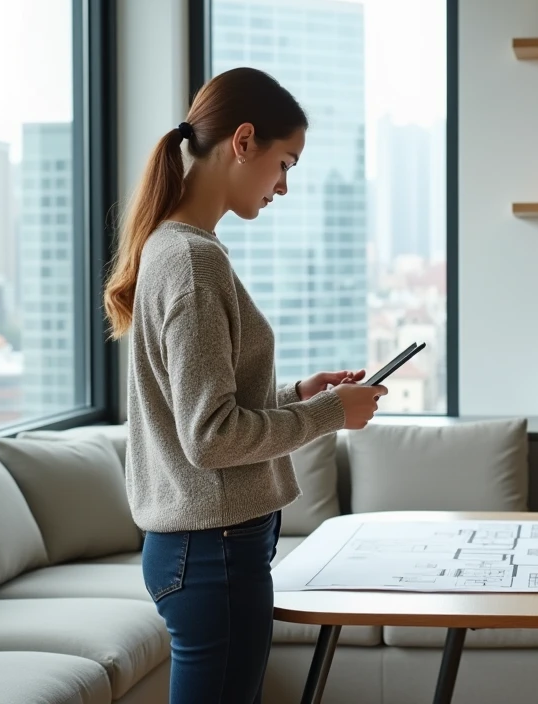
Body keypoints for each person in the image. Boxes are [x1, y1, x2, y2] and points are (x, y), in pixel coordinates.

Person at [103, 66, 388, 704]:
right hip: (213, 552)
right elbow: (210, 439)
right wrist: (330, 415)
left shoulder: (174, 248)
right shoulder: (193, 261)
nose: (283, 186)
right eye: (284, 163)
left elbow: (204, 412)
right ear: (243, 141)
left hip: (204, 549)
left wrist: (301, 397)